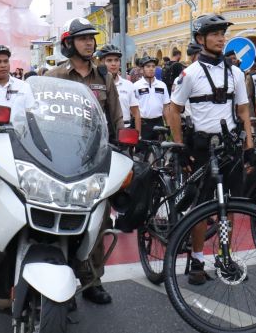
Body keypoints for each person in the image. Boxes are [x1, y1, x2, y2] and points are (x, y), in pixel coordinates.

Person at [166, 13, 253, 284]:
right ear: (200, 39)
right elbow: (173, 110)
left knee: (229, 204)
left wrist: (249, 145)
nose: (220, 38)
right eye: (214, 34)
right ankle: (197, 259)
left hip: (229, 147)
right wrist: (179, 145)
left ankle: (224, 256)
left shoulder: (236, 72)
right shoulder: (189, 73)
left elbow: (242, 110)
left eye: (222, 33)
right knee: (202, 206)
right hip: (202, 146)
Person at [45, 18, 122, 305]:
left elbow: (116, 117)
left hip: (96, 160)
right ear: (69, 44)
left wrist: (124, 144)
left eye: (91, 38)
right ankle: (60, 279)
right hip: (60, 159)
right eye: (82, 38)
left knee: (97, 223)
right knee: (57, 219)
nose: (89, 42)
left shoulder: (104, 77)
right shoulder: (55, 75)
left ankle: (92, 280)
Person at [96, 44, 141, 132]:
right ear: (101, 62)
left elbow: (136, 112)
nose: (113, 64)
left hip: (124, 129)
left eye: (116, 60)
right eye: (109, 60)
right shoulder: (95, 84)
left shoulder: (128, 85)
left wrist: (138, 135)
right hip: (102, 130)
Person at [133, 56, 170, 141]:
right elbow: (133, 110)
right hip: (143, 124)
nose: (151, 69)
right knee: (143, 152)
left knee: (160, 151)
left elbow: (166, 108)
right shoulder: (136, 86)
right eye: (148, 66)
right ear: (142, 69)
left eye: (153, 66)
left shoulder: (162, 85)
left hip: (159, 123)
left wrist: (168, 126)